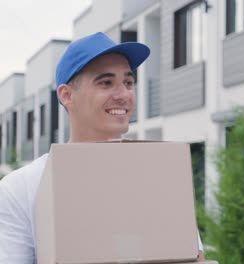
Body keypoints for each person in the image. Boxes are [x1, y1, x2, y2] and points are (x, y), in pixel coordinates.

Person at [0, 32, 205, 263]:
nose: (124, 95)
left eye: (128, 82)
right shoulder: (21, 189)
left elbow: (191, 257)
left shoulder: (160, 176)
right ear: (67, 95)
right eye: (106, 83)